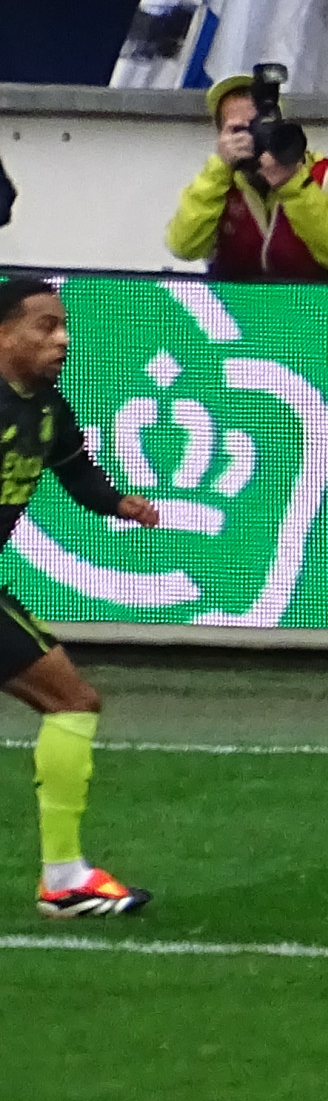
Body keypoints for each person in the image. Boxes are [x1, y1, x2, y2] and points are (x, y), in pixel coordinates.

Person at [0, 272, 163, 919]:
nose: (61, 339)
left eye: (64, 327)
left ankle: (66, 879)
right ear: (3, 334)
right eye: (45, 327)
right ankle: (64, 880)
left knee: (71, 701)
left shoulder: (46, 407)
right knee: (71, 700)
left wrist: (120, 503)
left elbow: (76, 473)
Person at [164, 74, 328, 283]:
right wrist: (219, 169)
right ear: (221, 137)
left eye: (261, 126)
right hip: (237, 303)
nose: (254, 138)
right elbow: (183, 247)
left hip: (313, 303)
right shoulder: (218, 184)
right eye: (240, 130)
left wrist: (294, 186)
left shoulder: (325, 177)